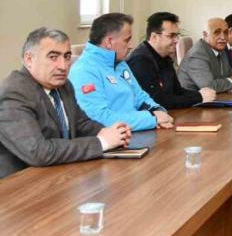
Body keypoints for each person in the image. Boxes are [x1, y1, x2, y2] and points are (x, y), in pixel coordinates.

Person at [0, 28, 131, 178]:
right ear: (29, 59)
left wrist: (111, 133)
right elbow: (38, 152)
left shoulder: (64, 85)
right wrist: (102, 142)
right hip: (21, 183)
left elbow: (81, 124)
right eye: (53, 57)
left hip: (60, 174)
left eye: (67, 56)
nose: (63, 66)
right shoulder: (14, 93)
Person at [69, 13, 173, 131]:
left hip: (134, 131)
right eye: (127, 40)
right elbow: (98, 118)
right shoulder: (84, 71)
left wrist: (157, 110)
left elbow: (140, 95)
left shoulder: (119, 63)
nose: (131, 45)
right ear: (109, 42)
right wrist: (151, 119)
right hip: (111, 139)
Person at [127, 12, 216, 109]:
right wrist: (199, 97)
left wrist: (201, 94)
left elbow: (177, 91)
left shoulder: (165, 56)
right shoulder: (140, 61)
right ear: (154, 37)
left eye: (177, 36)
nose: (176, 40)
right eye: (171, 36)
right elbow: (157, 101)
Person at [178, 17, 232, 93]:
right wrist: (231, 82)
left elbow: (231, 75)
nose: (223, 37)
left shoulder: (221, 50)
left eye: (225, 32)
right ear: (205, 34)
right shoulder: (197, 55)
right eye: (217, 32)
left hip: (218, 96)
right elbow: (209, 86)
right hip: (193, 99)